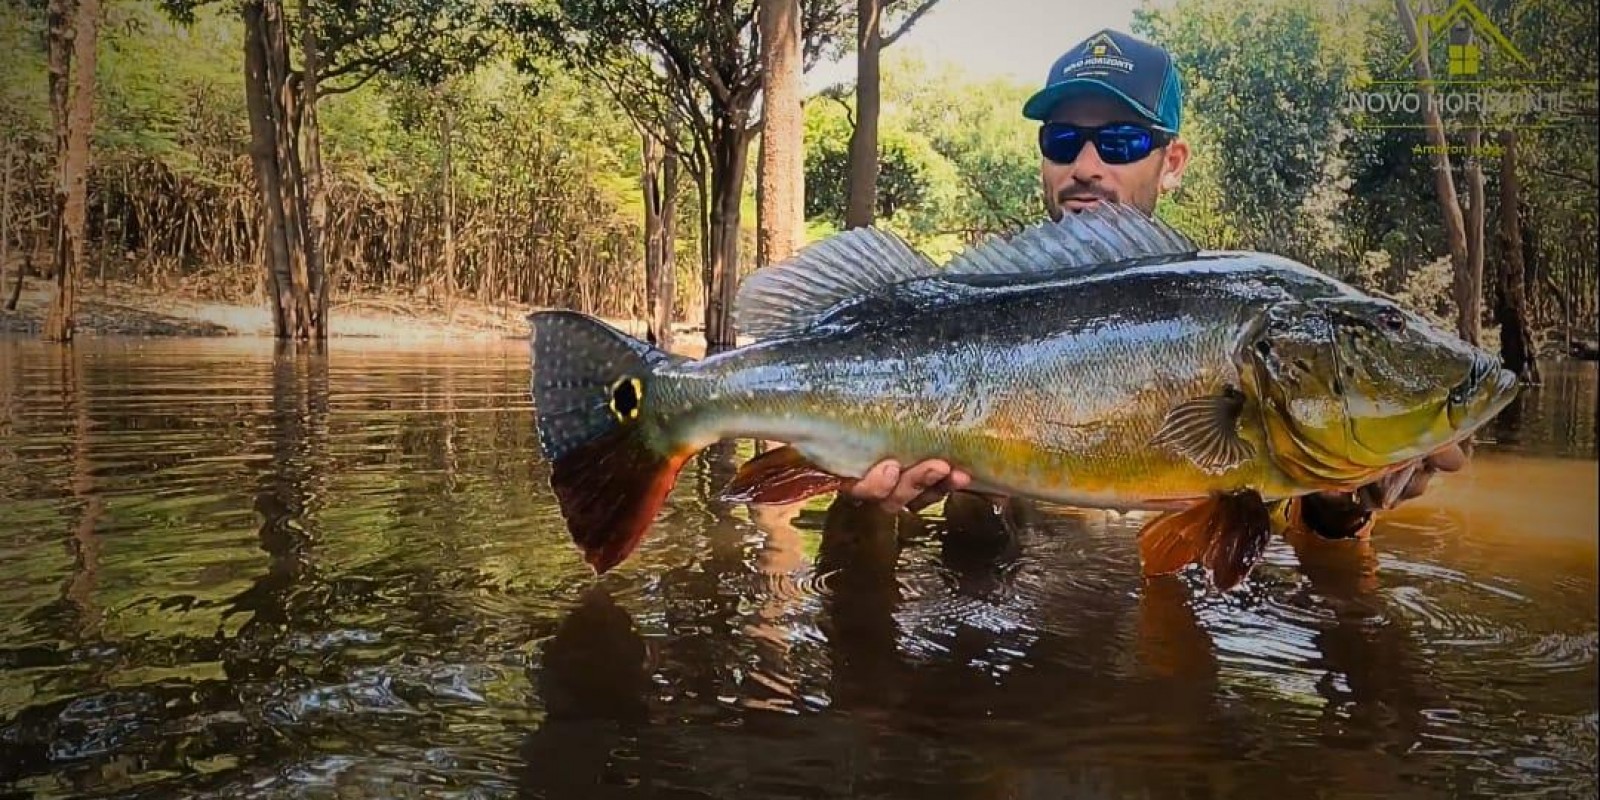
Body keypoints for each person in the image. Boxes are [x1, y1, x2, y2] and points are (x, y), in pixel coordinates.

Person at [842, 28, 1467, 541]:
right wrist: (864, 512)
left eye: (1119, 141)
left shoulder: (1244, 325)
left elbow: (1332, 583)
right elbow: (854, 583)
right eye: (1062, 140)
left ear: (1171, 163)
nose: (1085, 166)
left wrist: (1346, 503)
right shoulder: (955, 307)